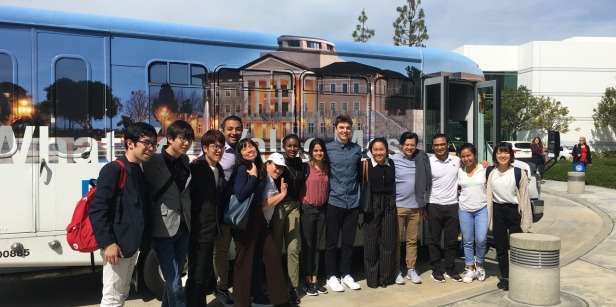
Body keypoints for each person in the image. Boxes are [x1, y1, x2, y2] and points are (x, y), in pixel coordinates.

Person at [89, 122, 157, 307]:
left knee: (122, 293)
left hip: (131, 245)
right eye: (146, 142)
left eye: (153, 144)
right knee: (111, 297)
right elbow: (98, 209)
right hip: (116, 246)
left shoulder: (138, 170)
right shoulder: (114, 169)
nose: (150, 148)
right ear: (130, 143)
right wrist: (108, 243)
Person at [229, 139, 289, 307]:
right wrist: (254, 178)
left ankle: (281, 301)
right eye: (244, 148)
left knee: (273, 255)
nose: (249, 150)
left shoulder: (260, 169)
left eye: (251, 146)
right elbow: (240, 195)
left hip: (258, 218)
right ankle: (241, 303)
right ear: (240, 153)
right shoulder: (242, 169)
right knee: (244, 265)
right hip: (245, 220)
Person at [143, 120, 194, 307]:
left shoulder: (186, 161)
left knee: (173, 280)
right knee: (174, 284)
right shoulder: (153, 161)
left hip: (183, 226)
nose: (186, 143)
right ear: (170, 139)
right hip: (162, 228)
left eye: (189, 139)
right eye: (182, 138)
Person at [184, 130, 226, 307]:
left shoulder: (218, 169)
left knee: (204, 273)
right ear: (205, 148)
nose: (219, 150)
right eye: (215, 147)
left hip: (211, 229)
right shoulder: (196, 168)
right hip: (199, 230)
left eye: (221, 147)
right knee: (198, 275)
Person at [487, 142, 532, 291]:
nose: (502, 155)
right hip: (497, 211)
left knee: (516, 246)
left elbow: (525, 198)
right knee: (501, 247)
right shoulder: (489, 172)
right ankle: (506, 277)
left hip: (514, 211)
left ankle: (518, 276)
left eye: (506, 152)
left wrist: (526, 220)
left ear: (511, 155)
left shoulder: (519, 172)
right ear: (495, 155)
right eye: (499, 152)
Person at [324, 114, 363, 292]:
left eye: (347, 128)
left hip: (353, 202)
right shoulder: (327, 148)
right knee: (331, 242)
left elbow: (359, 174)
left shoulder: (357, 149)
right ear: (335, 129)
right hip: (334, 201)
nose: (345, 131)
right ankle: (331, 276)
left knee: (348, 242)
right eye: (341, 128)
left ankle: (345, 274)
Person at [390, 132, 431, 285]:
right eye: (407, 145)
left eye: (412, 145)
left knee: (412, 241)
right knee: (396, 240)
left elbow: (443, 158)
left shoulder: (422, 158)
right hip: (398, 206)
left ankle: (411, 269)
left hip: (416, 207)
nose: (409, 147)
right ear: (401, 145)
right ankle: (395, 269)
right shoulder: (394, 159)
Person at [213, 116, 243, 305]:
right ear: (223, 130)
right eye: (230, 129)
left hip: (239, 210)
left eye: (238, 129)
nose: (234, 132)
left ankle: (240, 285)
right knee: (221, 251)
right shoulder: (217, 150)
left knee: (243, 249)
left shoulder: (242, 150)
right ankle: (221, 288)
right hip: (221, 210)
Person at [270, 135, 304, 305]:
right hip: (277, 207)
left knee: (293, 248)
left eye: (295, 146)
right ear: (284, 146)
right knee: (275, 248)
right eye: (289, 145)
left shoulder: (300, 164)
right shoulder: (278, 162)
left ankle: (293, 287)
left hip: (294, 207)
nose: (292, 148)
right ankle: (275, 287)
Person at [426, 133, 462, 283]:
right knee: (434, 240)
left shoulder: (457, 160)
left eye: (442, 144)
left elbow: (472, 165)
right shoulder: (428, 161)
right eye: (436, 145)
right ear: (433, 147)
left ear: (448, 145)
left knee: (451, 240)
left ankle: (450, 268)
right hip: (434, 204)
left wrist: (485, 164)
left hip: (452, 204)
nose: (439, 147)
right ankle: (436, 269)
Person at [362, 138, 397, 288]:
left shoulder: (392, 164)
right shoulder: (366, 165)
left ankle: (385, 278)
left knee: (388, 242)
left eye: (381, 149)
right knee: (371, 242)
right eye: (375, 150)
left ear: (387, 150)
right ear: (371, 151)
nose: (378, 152)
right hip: (372, 203)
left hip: (389, 203)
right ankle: (372, 278)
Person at [299, 138, 330, 296]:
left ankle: (314, 279)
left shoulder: (326, 167)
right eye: (316, 150)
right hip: (307, 209)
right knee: (307, 246)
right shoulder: (306, 167)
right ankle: (306, 280)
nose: (319, 153)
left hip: (322, 210)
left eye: (321, 150)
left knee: (317, 246)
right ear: (311, 152)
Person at [456, 143, 488, 284]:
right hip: (464, 209)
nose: (466, 158)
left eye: (469, 155)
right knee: (468, 241)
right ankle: (470, 269)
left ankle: (480, 265)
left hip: (482, 208)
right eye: (463, 156)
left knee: (481, 240)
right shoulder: (459, 171)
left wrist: (486, 163)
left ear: (475, 155)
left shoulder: (485, 169)